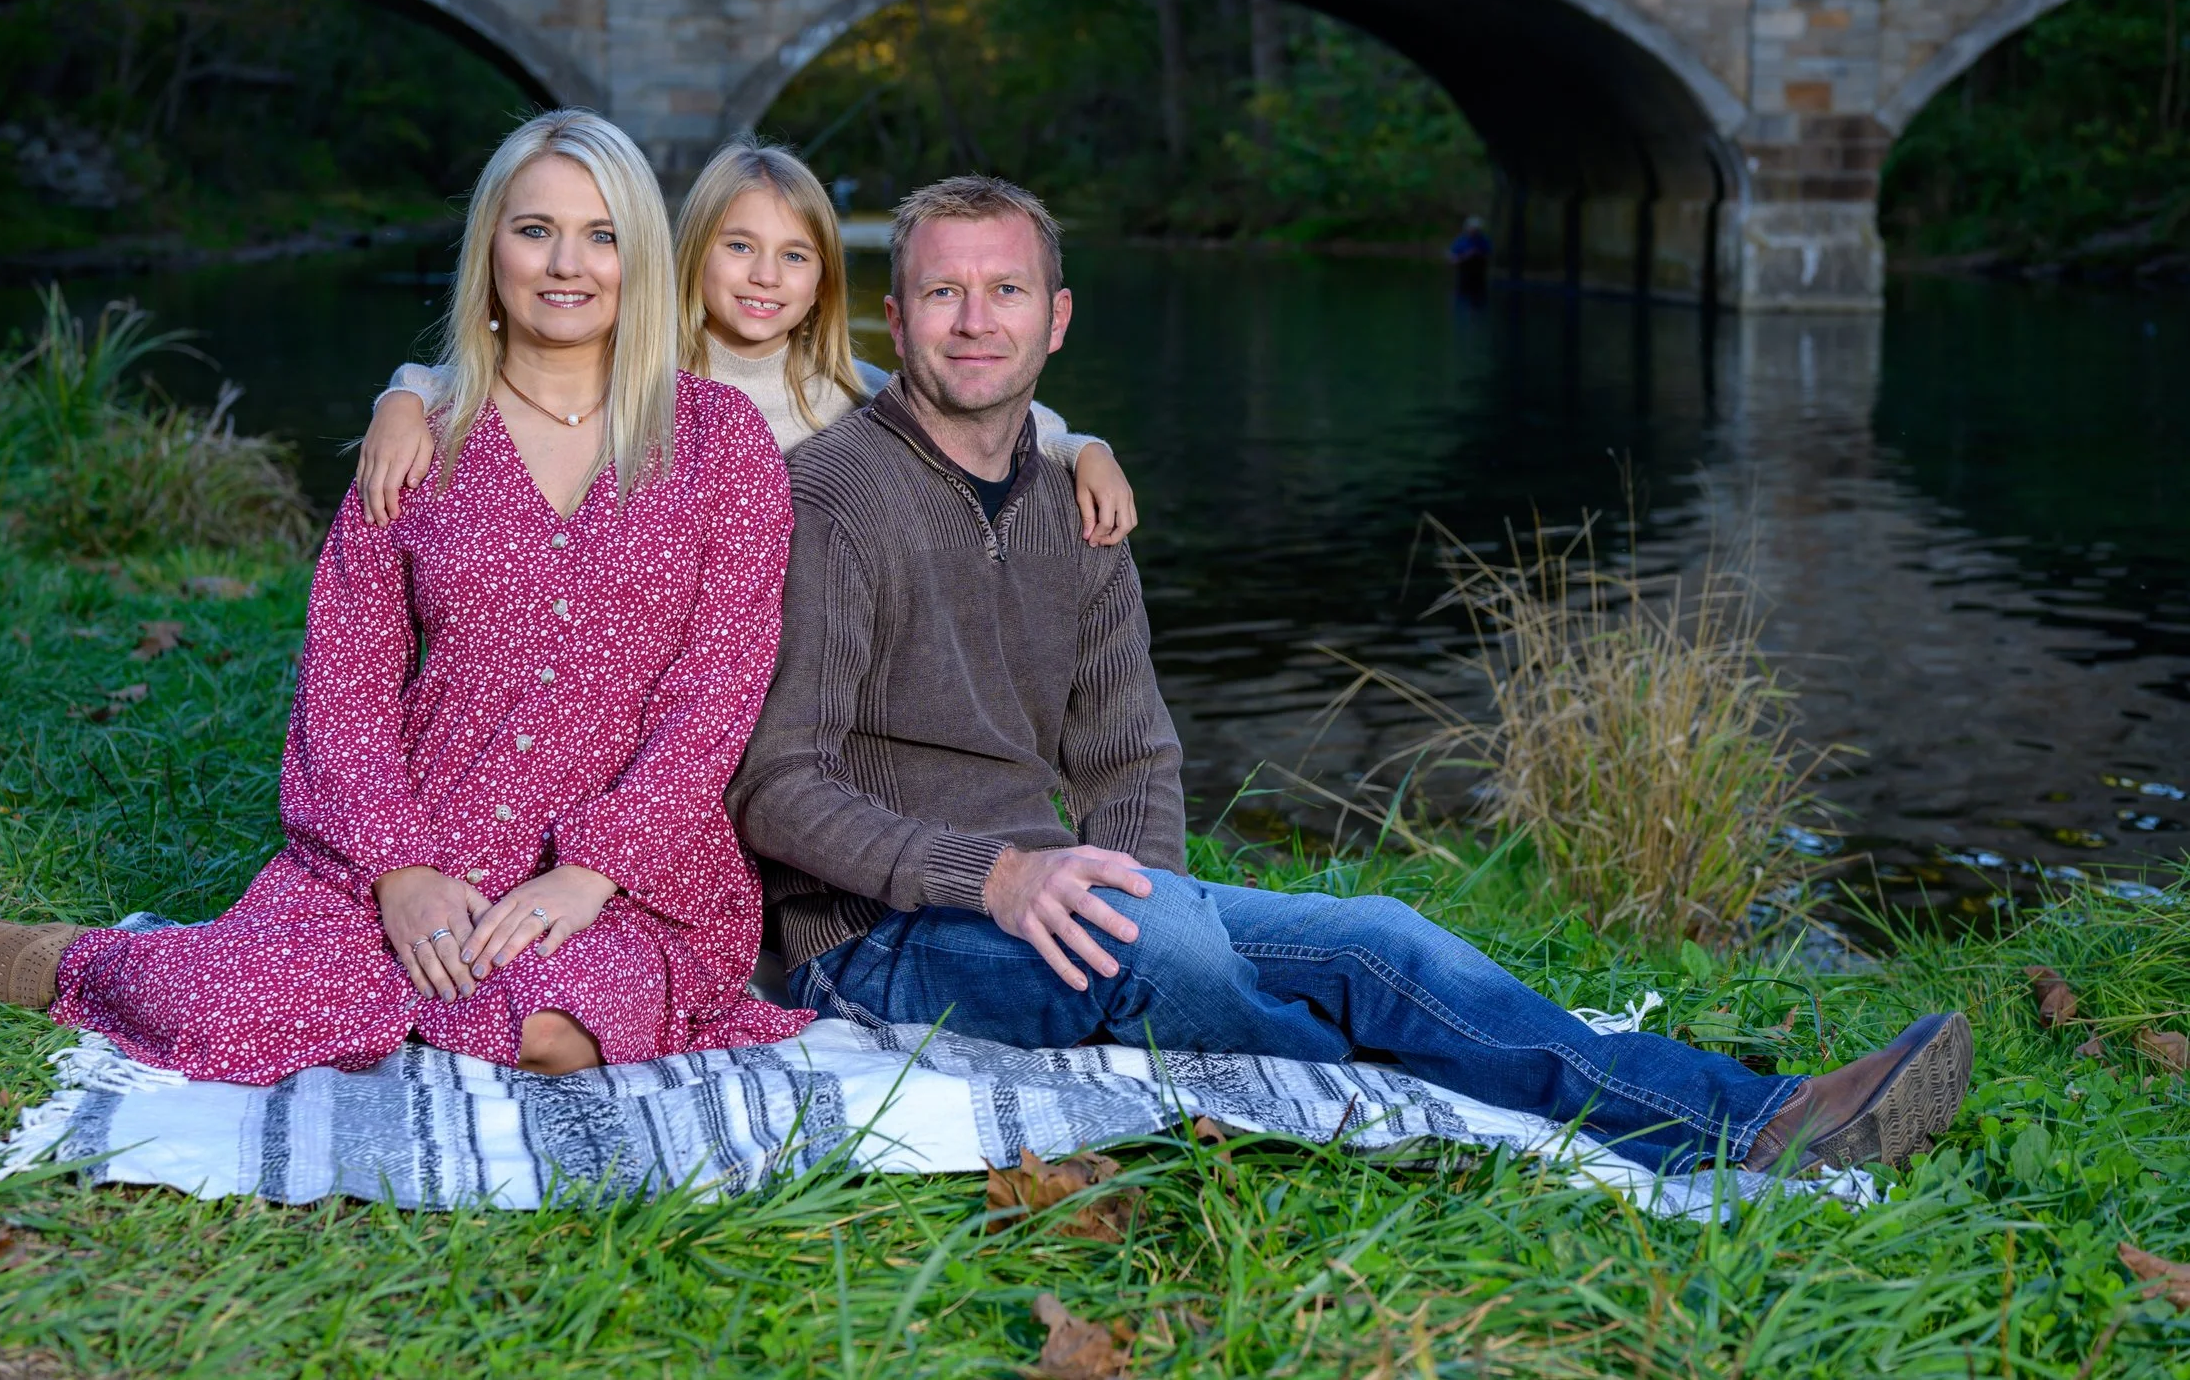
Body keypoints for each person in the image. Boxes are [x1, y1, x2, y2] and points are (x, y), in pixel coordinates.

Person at [727, 173, 1975, 1176]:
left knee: (1382, 934)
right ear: (894, 321)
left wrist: (1154, 894)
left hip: (1067, 893)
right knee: (1192, 957)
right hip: (881, 935)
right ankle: (1425, 1088)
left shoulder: (1079, 502)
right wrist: (994, 874)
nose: (973, 319)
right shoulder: (834, 497)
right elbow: (779, 785)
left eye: (1006, 289)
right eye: (942, 293)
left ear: (1056, 317)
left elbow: (1126, 750)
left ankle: (1764, 1119)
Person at [0, 109, 814, 1082]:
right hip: (426, 829)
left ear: (638, 255)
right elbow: (346, 679)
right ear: (490, 249)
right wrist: (400, 873)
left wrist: (591, 871)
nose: (567, 264)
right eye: (535, 229)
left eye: (601, 235)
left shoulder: (718, 443)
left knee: (550, 1022)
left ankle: (359, 995)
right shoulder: (421, 436)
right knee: (221, 1009)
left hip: (627, 875)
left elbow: (718, 687)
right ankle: (66, 956)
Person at [353, 139, 1140, 549]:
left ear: (822, 280)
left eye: (794, 256)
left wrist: (1084, 448)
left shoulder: (844, 390)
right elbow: (493, 369)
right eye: (738, 247)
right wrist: (405, 394)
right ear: (692, 252)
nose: (765, 276)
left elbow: (975, 415)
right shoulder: (642, 368)